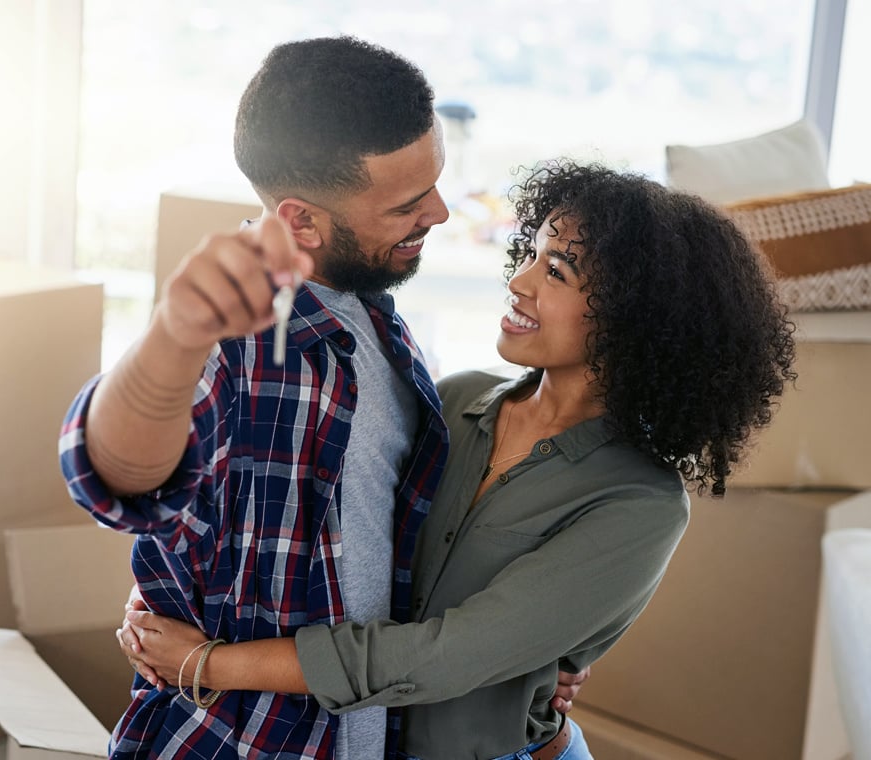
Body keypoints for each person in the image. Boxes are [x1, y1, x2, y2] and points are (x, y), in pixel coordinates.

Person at [118, 159, 798, 760]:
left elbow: (444, 656)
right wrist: (177, 593)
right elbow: (316, 518)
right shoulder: (457, 401)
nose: (521, 282)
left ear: (635, 321)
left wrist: (208, 663)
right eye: (530, 254)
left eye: (555, 271)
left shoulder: (640, 503)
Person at [60, 36, 581, 760]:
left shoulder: (372, 320)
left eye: (434, 182)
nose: (438, 212)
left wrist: (515, 663)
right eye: (405, 204)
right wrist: (173, 341)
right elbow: (114, 477)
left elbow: (390, 549)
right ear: (301, 219)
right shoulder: (239, 337)